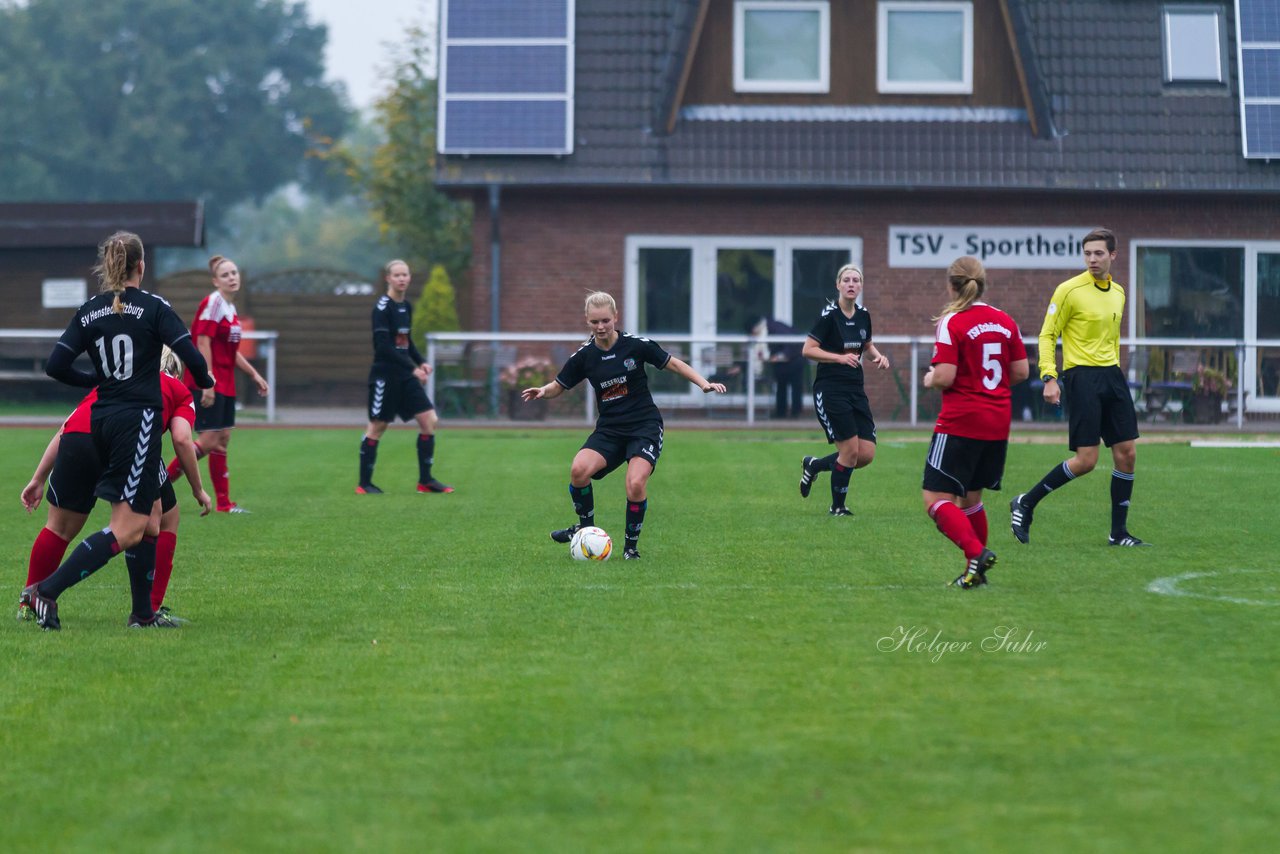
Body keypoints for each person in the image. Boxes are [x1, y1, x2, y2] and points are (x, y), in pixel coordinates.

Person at [20, 231, 214, 631]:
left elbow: (55, 366)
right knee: (129, 528)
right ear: (141, 266)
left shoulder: (90, 310)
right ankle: (45, 591)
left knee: (151, 515)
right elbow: (191, 357)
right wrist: (206, 380)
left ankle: (142, 615)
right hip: (136, 420)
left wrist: (96, 379)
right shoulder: (154, 307)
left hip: (99, 418)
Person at [521, 291, 726, 559]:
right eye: (594, 322)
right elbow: (559, 385)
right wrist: (542, 391)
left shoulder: (635, 345)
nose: (601, 327)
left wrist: (703, 383)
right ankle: (585, 530)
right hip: (610, 429)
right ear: (587, 321)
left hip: (644, 426)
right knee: (578, 470)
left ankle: (631, 549)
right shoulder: (584, 356)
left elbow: (672, 363)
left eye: (605, 320)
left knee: (635, 484)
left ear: (615, 317)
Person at [18, 348, 213, 623]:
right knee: (149, 522)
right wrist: (198, 488)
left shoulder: (116, 379)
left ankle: (28, 605)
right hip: (124, 443)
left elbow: (67, 425)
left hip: (77, 440)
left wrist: (38, 477)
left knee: (59, 528)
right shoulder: (177, 389)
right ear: (178, 370)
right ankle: (145, 611)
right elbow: (182, 439)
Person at [1009, 227, 1148, 547]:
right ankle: (1026, 502)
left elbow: (1110, 340)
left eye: (1099, 253)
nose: (1092, 259)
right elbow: (1047, 334)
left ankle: (1119, 533)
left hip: (1112, 376)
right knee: (1086, 461)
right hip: (1082, 377)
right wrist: (1049, 376)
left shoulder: (1120, 293)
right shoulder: (1068, 290)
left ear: (1113, 255)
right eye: (1087, 254)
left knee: (1127, 455)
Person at [920, 257, 1030, 589]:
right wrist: (989, 391)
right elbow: (1022, 371)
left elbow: (945, 375)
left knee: (935, 497)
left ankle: (976, 552)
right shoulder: (1003, 319)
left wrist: (929, 379)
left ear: (951, 285)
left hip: (961, 420)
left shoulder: (952, 320)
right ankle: (976, 574)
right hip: (998, 420)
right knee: (970, 499)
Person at [166, 254, 268, 513]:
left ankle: (224, 503)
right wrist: (207, 381)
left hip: (225, 382)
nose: (232, 278)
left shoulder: (229, 308)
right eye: (225, 275)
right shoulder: (212, 303)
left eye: (234, 273)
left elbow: (230, 351)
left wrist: (253, 374)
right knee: (210, 440)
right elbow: (202, 342)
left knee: (222, 439)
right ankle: (160, 485)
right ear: (215, 281)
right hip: (209, 381)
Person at [797, 264, 891, 516]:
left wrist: (878, 357)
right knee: (849, 451)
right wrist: (839, 358)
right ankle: (837, 507)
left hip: (855, 389)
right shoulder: (829, 316)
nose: (851, 284)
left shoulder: (863, 314)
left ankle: (814, 465)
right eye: (846, 280)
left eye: (856, 280)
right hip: (830, 389)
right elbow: (807, 350)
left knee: (866, 453)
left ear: (860, 286)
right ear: (838, 285)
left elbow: (867, 344)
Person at [357, 259, 452, 495]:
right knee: (377, 426)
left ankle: (426, 481)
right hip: (385, 377)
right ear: (388, 279)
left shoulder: (406, 307)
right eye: (397, 275)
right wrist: (412, 369)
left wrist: (421, 362)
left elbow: (404, 343)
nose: (402, 279)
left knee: (429, 421)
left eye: (405, 275)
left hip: (406, 376)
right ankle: (364, 484)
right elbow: (384, 347)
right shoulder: (382, 308)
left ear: (409, 278)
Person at [752, 317, 805, 419]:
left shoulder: (774, 328)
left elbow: (791, 343)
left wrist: (779, 356)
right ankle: (782, 413)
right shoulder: (771, 327)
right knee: (782, 387)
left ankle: (795, 413)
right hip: (784, 363)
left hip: (795, 359)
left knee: (795, 387)